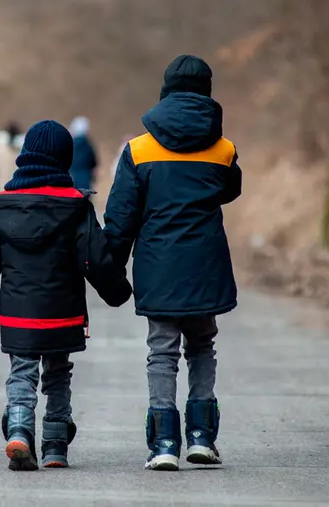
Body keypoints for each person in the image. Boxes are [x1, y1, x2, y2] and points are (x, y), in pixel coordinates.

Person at [0, 120, 132, 471]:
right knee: (58, 374)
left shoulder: (1, 207)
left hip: (17, 316)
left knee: (21, 372)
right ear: (65, 160)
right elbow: (96, 258)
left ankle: (20, 430)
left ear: (26, 157)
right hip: (63, 314)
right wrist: (118, 291)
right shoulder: (76, 206)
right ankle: (54, 445)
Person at [103, 55, 241, 471]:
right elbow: (229, 192)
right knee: (202, 345)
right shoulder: (224, 149)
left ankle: (164, 442)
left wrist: (111, 267)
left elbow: (121, 217)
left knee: (161, 351)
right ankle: (201, 438)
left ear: (165, 90)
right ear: (207, 92)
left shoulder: (138, 150)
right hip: (205, 264)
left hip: (157, 265)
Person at [68, 116, 98, 190]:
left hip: (71, 180)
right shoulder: (89, 146)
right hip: (85, 182)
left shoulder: (68, 145)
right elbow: (94, 166)